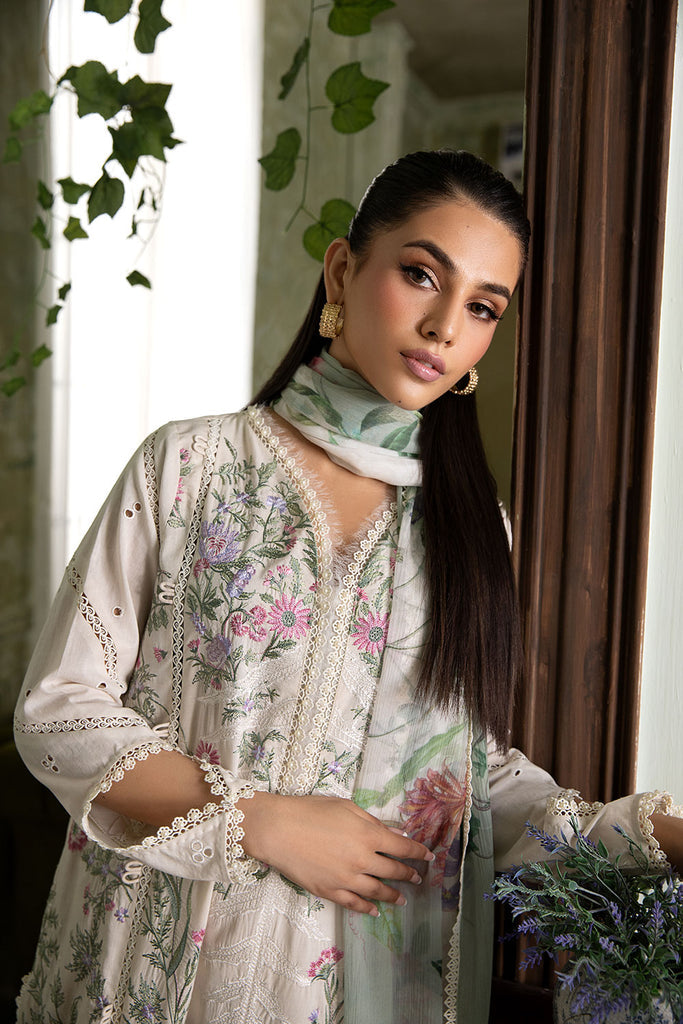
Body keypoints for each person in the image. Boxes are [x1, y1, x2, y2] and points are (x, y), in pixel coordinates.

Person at [14, 150, 683, 1024]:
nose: (443, 327)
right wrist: (260, 819)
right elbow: (59, 710)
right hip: (148, 960)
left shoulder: (472, 531)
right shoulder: (192, 466)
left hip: (335, 991)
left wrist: (648, 834)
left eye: (482, 307)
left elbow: (462, 791)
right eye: (421, 275)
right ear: (341, 270)